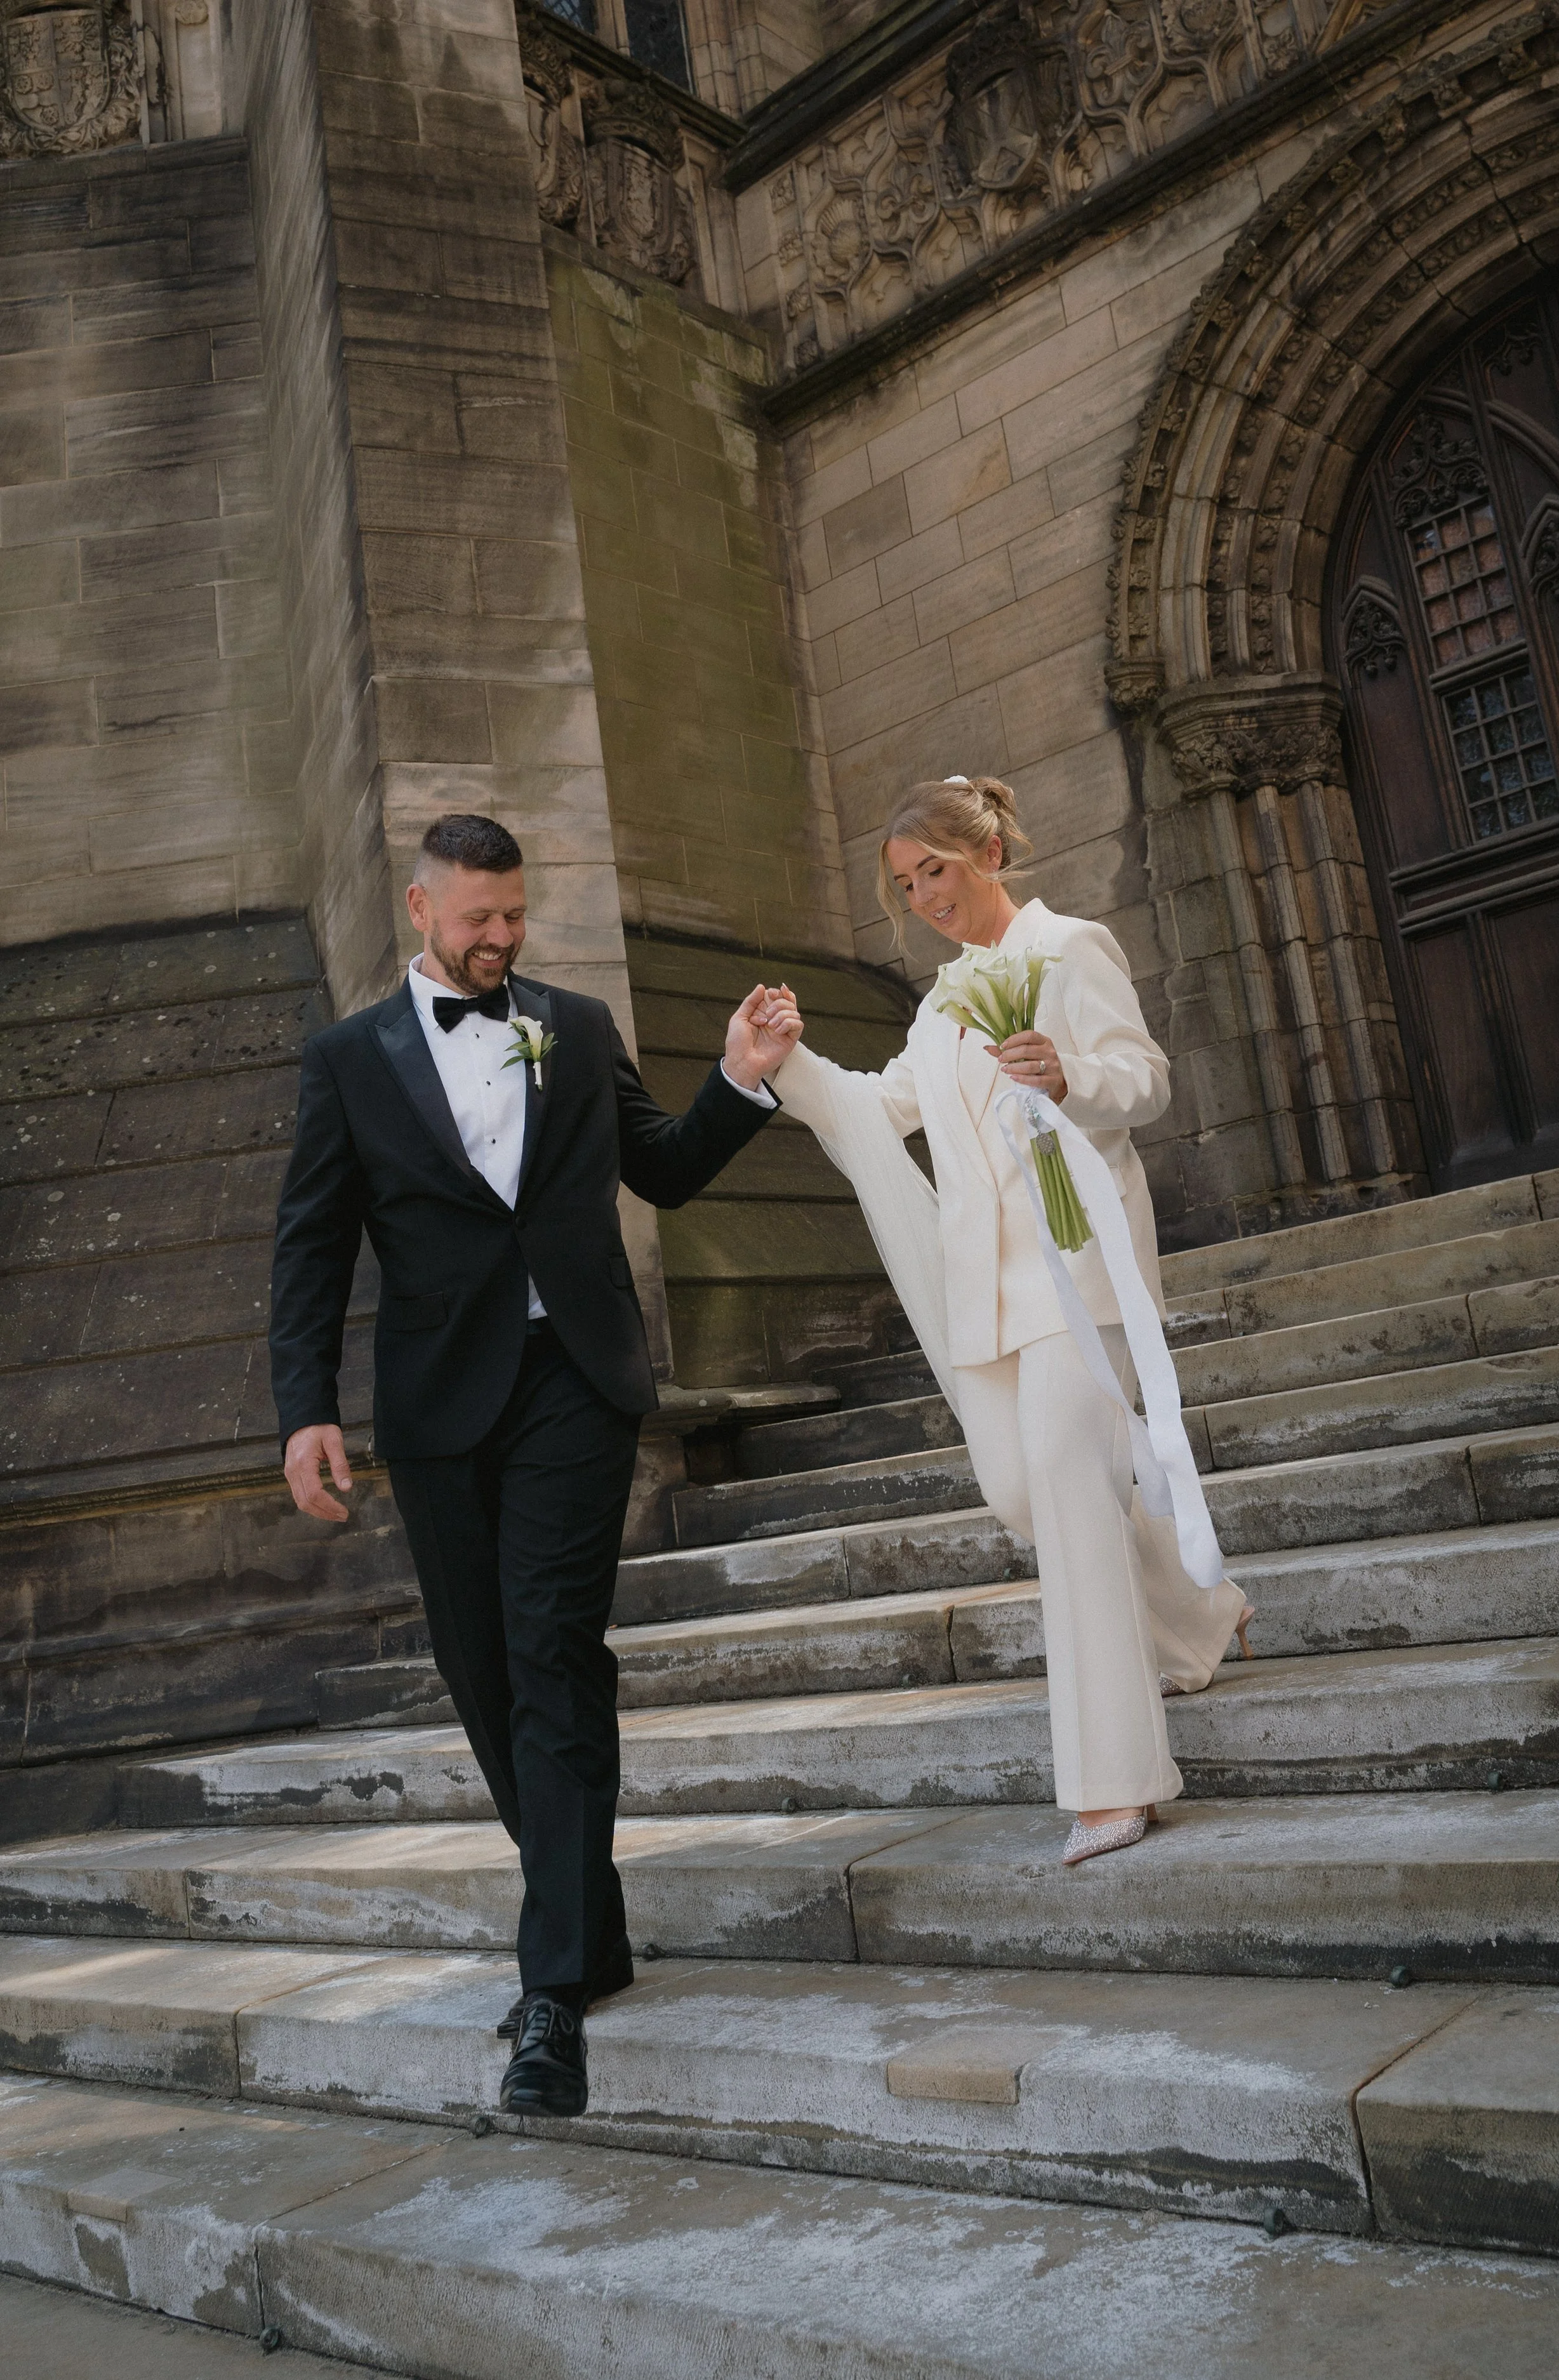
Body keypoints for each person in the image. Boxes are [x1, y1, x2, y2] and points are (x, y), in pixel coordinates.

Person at [269, 812, 799, 2117]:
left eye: (514, 915)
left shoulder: (578, 1021)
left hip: (575, 1383)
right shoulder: (349, 1061)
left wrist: (737, 1079)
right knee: (483, 1669)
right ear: (419, 908)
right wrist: (304, 1407)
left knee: (551, 1648)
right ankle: (593, 1931)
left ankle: (551, 1996)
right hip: (438, 1408)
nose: (501, 939)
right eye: (476, 918)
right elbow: (311, 1246)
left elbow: (662, 1172)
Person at [756, 775, 1253, 1867]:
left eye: (935, 868)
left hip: (1081, 1275)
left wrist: (1071, 1078)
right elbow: (884, 1109)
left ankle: (1113, 1782)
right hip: (983, 1288)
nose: (924, 895)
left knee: (1074, 1500)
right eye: (904, 883)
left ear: (987, 850)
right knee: (1021, 1494)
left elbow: (1148, 1080)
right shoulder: (940, 1006)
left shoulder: (1072, 948)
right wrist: (782, 1061)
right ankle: (1199, 1609)